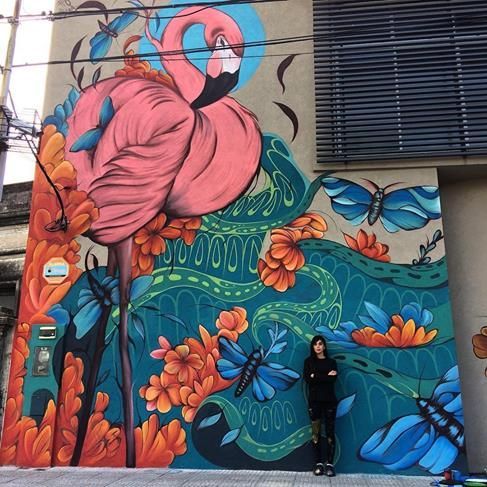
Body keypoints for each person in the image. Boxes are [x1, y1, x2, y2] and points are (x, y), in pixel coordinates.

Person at [303, 335, 338, 477]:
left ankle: (329, 464)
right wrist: (325, 376)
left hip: (330, 401)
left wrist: (315, 376)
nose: (318, 346)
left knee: (330, 432)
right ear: (312, 347)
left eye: (320, 344)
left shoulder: (332, 362)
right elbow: (308, 379)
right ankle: (318, 463)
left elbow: (333, 379)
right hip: (315, 402)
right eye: (315, 344)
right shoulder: (308, 362)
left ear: (324, 346)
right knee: (315, 433)